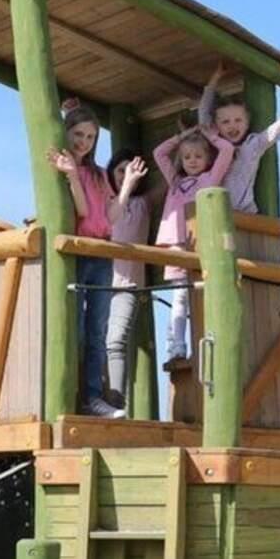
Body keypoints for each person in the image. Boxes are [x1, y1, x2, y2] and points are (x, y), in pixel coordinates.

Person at [50, 101, 116, 414]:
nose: (84, 142)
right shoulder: (63, 168)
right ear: (66, 132)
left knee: (97, 331)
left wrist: (127, 186)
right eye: (78, 134)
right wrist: (71, 175)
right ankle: (70, 395)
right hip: (76, 255)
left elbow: (106, 217)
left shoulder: (99, 174)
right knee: (73, 327)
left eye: (90, 137)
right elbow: (81, 211)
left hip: (101, 253)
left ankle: (92, 397)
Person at [151, 127, 236, 370]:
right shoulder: (176, 182)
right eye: (187, 156)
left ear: (207, 159)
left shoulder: (209, 179)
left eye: (198, 156)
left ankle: (211, 343)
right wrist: (182, 136)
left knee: (204, 294)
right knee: (180, 296)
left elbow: (227, 150)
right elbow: (159, 153)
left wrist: (209, 135)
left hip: (200, 244)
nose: (192, 161)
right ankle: (176, 346)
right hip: (177, 244)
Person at [197, 64, 280, 215]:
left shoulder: (252, 145)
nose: (232, 126)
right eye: (225, 122)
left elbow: (279, 127)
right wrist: (215, 79)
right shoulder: (215, 144)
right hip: (215, 211)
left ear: (247, 122)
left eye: (238, 120)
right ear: (217, 125)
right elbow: (203, 115)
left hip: (243, 213)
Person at [98, 155, 153, 415]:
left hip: (127, 285)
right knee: (95, 342)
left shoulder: (144, 203)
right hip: (100, 283)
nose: (125, 174)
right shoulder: (105, 202)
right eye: (120, 170)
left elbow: (172, 178)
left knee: (116, 341)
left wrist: (184, 138)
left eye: (131, 169)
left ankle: (115, 404)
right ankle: (98, 401)